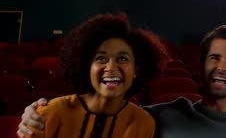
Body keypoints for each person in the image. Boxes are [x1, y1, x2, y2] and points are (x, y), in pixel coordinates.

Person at [18, 25, 226, 138]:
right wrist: (35, 114)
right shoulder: (162, 116)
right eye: (214, 58)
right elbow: (103, 110)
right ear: (200, 67)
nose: (221, 67)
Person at [26, 12, 169, 138]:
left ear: (136, 71)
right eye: (101, 58)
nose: (111, 67)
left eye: (122, 59)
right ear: (86, 67)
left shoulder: (143, 123)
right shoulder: (50, 113)